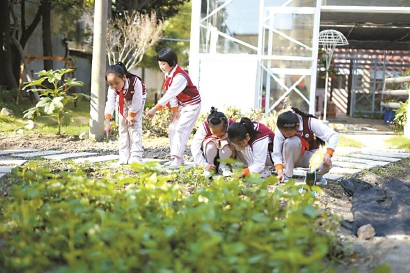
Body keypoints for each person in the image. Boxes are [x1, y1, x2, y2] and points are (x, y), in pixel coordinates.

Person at [145, 48, 201, 168]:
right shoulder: (168, 74)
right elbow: (172, 94)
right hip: (181, 105)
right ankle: (175, 158)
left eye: (164, 64)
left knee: (181, 129)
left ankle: (177, 159)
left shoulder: (180, 76)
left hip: (192, 105)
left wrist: (155, 109)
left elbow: (170, 93)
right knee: (172, 128)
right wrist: (174, 110)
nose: (161, 66)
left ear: (172, 62)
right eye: (160, 63)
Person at [272, 107, 339, 184]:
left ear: (297, 126)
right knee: (291, 141)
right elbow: (276, 154)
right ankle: (287, 175)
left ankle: (315, 177)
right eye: (284, 134)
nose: (286, 136)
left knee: (325, 165)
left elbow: (333, 135)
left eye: (288, 134)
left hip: (309, 156)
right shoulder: (281, 130)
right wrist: (280, 171)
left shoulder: (310, 122)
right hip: (289, 158)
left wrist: (328, 154)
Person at [104, 62, 146, 165]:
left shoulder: (135, 82)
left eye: (116, 83)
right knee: (122, 126)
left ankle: (136, 155)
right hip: (123, 99)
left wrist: (131, 115)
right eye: (111, 84)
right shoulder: (113, 88)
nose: (114, 86)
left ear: (124, 77)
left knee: (134, 126)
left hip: (138, 99)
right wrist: (107, 122)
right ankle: (124, 155)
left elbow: (137, 100)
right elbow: (110, 103)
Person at [191, 107, 235, 177]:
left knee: (225, 143)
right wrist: (204, 164)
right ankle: (210, 167)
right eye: (214, 132)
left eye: (221, 132)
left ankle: (222, 167)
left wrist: (228, 135)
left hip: (225, 156)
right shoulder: (204, 127)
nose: (218, 135)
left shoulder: (232, 125)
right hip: (208, 155)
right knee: (211, 144)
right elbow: (195, 146)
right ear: (209, 126)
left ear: (226, 125)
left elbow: (240, 142)